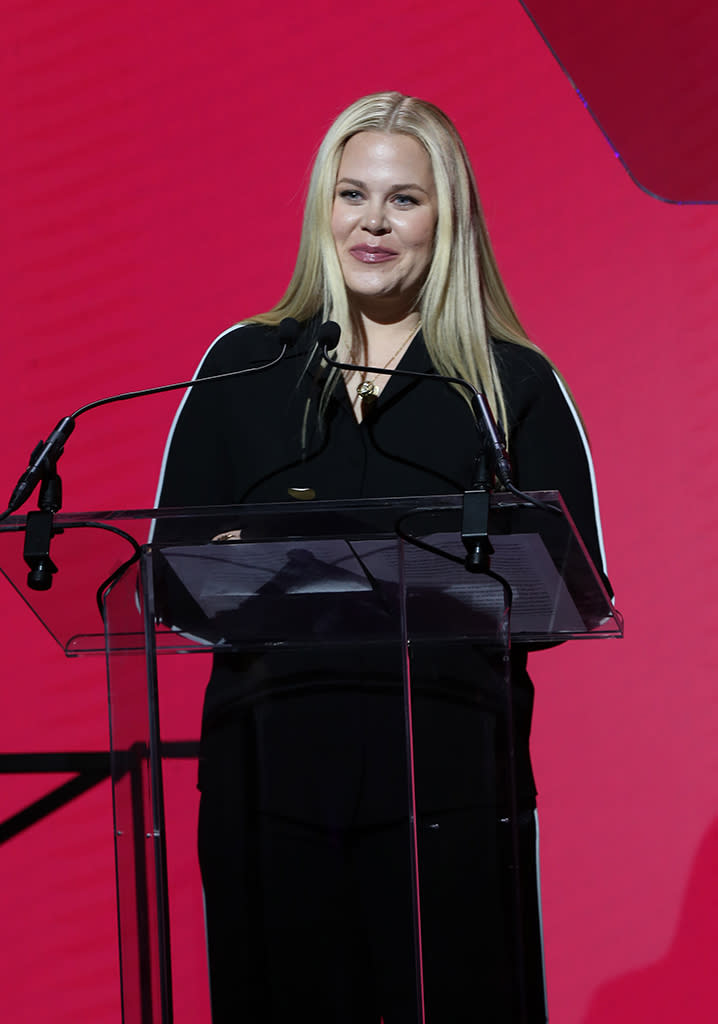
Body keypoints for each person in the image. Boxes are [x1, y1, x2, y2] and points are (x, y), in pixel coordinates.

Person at [155, 92, 609, 1023]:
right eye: (351, 194)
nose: (372, 222)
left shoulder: (506, 381)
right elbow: (171, 574)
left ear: (448, 219)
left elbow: (572, 586)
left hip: (449, 784)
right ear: (324, 207)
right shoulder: (246, 365)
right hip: (267, 782)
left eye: (404, 199)